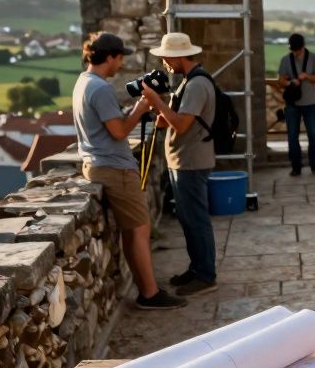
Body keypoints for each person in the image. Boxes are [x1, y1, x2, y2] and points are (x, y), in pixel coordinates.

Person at [72, 33, 186, 310]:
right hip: (114, 168)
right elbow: (119, 131)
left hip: (98, 164)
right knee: (140, 228)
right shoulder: (100, 88)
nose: (122, 64)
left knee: (132, 230)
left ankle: (147, 288)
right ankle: (149, 293)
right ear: (109, 57)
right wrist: (141, 107)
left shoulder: (82, 82)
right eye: (120, 57)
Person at [140, 32, 219, 297]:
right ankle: (197, 269)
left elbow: (182, 125)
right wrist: (158, 106)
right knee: (188, 219)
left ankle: (206, 276)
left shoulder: (196, 85)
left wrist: (157, 100)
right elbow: (169, 120)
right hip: (184, 160)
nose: (163, 62)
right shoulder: (188, 82)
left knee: (196, 220)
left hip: (192, 162)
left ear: (178, 56)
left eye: (165, 57)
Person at [277, 33, 315, 177]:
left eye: (297, 49)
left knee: (314, 135)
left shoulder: (314, 58)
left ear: (302, 47)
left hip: (310, 103)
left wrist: (307, 77)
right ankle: (296, 166)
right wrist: (290, 82)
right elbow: (280, 81)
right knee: (292, 135)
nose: (295, 52)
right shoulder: (286, 60)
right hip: (292, 104)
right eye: (293, 49)